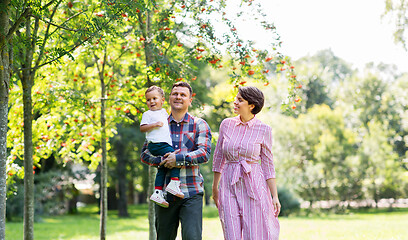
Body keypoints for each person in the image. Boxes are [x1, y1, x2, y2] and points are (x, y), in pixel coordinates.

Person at [141, 81, 212, 240]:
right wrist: (162, 160)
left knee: (192, 237)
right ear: (169, 98)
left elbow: (204, 153)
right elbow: (145, 154)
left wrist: (178, 159)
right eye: (175, 94)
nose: (178, 97)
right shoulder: (158, 123)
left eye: (183, 95)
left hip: (191, 192)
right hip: (164, 195)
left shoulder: (199, 124)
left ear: (190, 100)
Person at [212, 86, 281, 240]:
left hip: (254, 185)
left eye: (240, 100)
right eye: (236, 98)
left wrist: (274, 196)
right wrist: (215, 188)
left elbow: (268, 165)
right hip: (228, 185)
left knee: (255, 233)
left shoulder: (264, 130)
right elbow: (218, 159)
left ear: (252, 106)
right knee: (231, 234)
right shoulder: (226, 124)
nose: (235, 102)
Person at [140, 86, 184, 208]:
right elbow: (142, 128)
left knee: (163, 167)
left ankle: (158, 192)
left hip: (163, 144)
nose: (151, 102)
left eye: (154, 98)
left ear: (162, 100)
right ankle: (174, 182)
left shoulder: (164, 112)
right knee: (175, 158)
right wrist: (154, 125)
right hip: (156, 144)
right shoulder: (147, 114)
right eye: (148, 100)